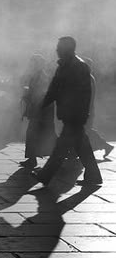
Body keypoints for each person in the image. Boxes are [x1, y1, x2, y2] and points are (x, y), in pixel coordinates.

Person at [32, 37, 103, 187]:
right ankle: (94, 176)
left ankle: (45, 175)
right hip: (72, 114)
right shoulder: (67, 65)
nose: (56, 50)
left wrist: (82, 114)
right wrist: (43, 104)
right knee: (82, 147)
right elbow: (55, 89)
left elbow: (83, 93)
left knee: (61, 147)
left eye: (59, 47)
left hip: (74, 115)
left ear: (67, 49)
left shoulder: (77, 66)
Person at [19, 54, 57, 169]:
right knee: (35, 135)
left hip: (39, 111)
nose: (31, 65)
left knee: (34, 134)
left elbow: (41, 94)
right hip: (39, 110)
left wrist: (28, 95)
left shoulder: (41, 76)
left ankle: (34, 159)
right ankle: (32, 158)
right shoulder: (38, 75)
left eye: (33, 62)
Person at [82, 57, 114, 158]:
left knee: (85, 131)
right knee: (85, 131)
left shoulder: (88, 78)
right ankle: (105, 146)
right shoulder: (88, 78)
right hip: (86, 110)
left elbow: (87, 97)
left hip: (87, 110)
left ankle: (104, 146)